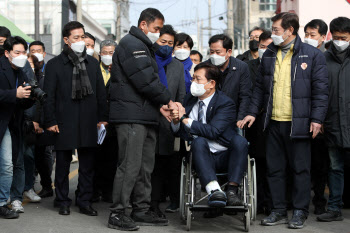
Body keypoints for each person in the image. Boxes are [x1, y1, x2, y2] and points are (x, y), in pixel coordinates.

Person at [240, 12, 328, 229]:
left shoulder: (311, 55)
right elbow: (259, 87)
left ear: (290, 30)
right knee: (275, 168)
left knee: (300, 169)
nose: (274, 34)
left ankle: (299, 211)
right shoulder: (269, 54)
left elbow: (321, 91)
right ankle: (278, 210)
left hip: (298, 122)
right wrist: (252, 112)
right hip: (273, 122)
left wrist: (316, 119)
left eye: (277, 30)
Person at [108, 8, 174, 231]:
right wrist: (168, 101)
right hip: (131, 116)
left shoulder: (144, 46)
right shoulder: (132, 44)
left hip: (145, 115)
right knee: (129, 165)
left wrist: (159, 107)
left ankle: (141, 210)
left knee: (145, 166)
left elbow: (146, 83)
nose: (158, 33)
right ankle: (118, 213)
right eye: (156, 29)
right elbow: (145, 80)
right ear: (143, 25)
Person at [44, 21, 108, 216]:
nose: (81, 41)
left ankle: (84, 200)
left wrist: (102, 118)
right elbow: (49, 96)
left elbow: (100, 94)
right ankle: (62, 200)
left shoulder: (92, 64)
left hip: (88, 119)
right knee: (62, 164)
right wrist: (51, 121)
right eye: (76, 38)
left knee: (87, 164)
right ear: (66, 40)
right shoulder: (55, 64)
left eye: (83, 37)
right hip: (64, 120)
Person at [171, 62, 248, 208]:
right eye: (193, 78)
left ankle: (231, 191)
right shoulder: (189, 100)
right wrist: (176, 121)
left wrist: (185, 119)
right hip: (200, 155)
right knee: (198, 141)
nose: (193, 82)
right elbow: (180, 131)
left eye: (198, 79)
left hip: (225, 154)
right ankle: (214, 191)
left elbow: (213, 131)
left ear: (211, 83)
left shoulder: (225, 103)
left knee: (240, 142)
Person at [150, 25, 186, 219]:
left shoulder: (177, 66)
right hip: (147, 120)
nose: (166, 46)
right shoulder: (147, 62)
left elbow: (181, 94)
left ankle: (155, 204)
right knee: (145, 166)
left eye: (170, 43)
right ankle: (143, 203)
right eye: (162, 41)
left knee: (162, 166)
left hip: (167, 124)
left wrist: (177, 112)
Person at [317, 16, 350, 222]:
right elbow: (317, 92)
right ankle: (335, 207)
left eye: (344, 37)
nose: (339, 41)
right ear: (330, 35)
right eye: (336, 37)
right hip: (332, 123)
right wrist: (318, 120)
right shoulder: (322, 59)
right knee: (335, 167)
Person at [0, 36, 35, 218]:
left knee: (16, 162)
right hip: (2, 122)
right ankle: (2, 202)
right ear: (7, 53)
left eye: (24, 52)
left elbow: (21, 102)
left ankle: (11, 199)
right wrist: (15, 93)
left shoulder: (22, 71)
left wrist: (30, 98)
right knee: (6, 164)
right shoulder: (1, 67)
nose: (21, 56)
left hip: (15, 122)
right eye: (17, 52)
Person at [304, 19, 330, 215]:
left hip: (323, 120)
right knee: (304, 164)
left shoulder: (326, 58)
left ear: (323, 37)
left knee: (321, 166)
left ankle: (320, 202)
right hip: (303, 119)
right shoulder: (301, 56)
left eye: (313, 35)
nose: (308, 39)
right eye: (306, 34)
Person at [245, 30, 273, 215]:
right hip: (255, 123)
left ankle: (275, 202)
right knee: (259, 164)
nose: (265, 50)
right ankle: (260, 200)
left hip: (276, 122)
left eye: (269, 47)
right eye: (262, 47)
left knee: (276, 166)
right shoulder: (247, 67)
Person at [28, 41, 55, 199]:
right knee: (37, 154)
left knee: (45, 153)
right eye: (33, 51)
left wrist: (43, 121)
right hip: (32, 119)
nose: (36, 53)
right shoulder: (30, 70)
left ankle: (47, 185)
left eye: (38, 50)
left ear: (44, 53)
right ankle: (44, 184)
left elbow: (45, 99)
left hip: (45, 119)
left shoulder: (49, 71)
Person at [93, 39, 118, 203]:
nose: (108, 56)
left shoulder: (120, 71)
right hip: (95, 121)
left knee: (112, 159)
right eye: (105, 52)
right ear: (100, 53)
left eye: (112, 53)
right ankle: (94, 191)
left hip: (114, 122)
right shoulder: (94, 70)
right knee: (94, 159)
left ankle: (109, 192)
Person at [207, 34, 251, 127]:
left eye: (218, 52)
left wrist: (240, 119)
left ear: (229, 52)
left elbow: (245, 96)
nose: (214, 55)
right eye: (211, 52)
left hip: (233, 119)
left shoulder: (241, 67)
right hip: (210, 119)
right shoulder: (205, 67)